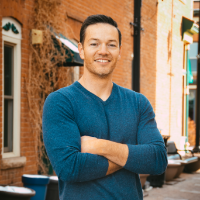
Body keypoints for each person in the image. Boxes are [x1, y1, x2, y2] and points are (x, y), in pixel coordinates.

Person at [42, 14, 167, 200]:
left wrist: (98, 146)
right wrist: (132, 155)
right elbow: (70, 167)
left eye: (111, 44)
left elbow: (157, 159)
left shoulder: (138, 103)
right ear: (81, 50)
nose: (103, 51)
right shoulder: (60, 102)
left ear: (119, 50)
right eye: (94, 44)